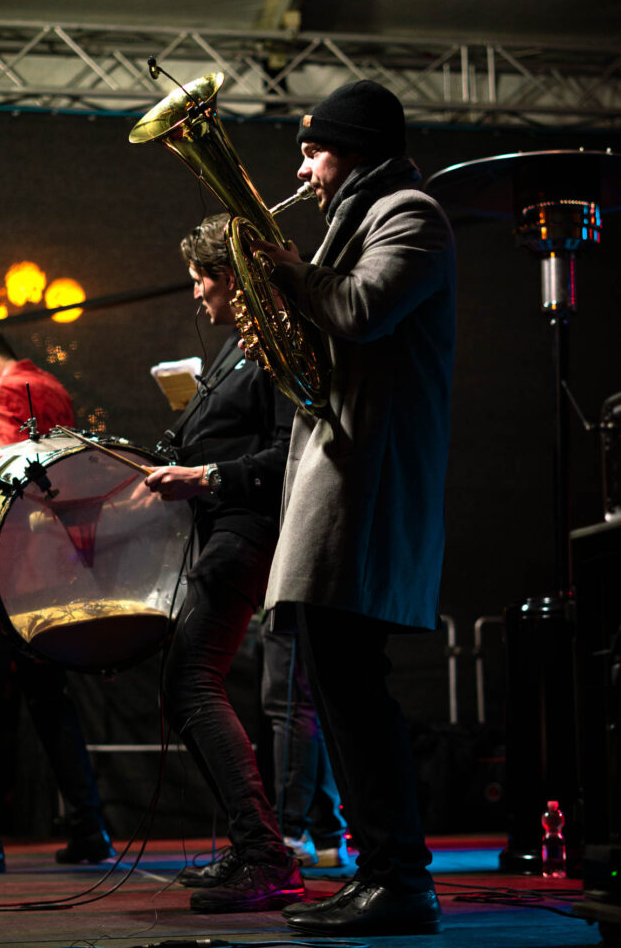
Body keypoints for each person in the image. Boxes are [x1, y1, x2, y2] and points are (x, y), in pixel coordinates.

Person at [250, 80, 456, 934]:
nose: (303, 169)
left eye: (314, 151)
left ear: (356, 148)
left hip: (370, 485)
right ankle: (379, 870)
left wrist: (286, 272)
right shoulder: (360, 216)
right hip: (341, 477)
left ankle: (399, 880)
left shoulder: (410, 214)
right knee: (336, 686)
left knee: (354, 690)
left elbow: (362, 310)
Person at [143, 214, 305, 913]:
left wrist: (204, 476)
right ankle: (253, 846)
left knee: (190, 682)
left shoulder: (274, 346)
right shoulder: (236, 351)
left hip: (247, 531)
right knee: (184, 686)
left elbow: (287, 457)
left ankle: (267, 856)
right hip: (223, 533)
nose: (195, 293)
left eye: (200, 279)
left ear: (232, 280)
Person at [0, 319, 115, 875]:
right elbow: (30, 457)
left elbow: (4, 476)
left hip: (1, 567)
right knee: (49, 697)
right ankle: (89, 828)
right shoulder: (50, 388)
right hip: (51, 569)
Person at [259, 614, 350, 868]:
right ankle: (326, 836)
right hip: (319, 606)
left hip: (290, 603)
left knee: (291, 708)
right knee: (310, 712)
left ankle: (289, 835)